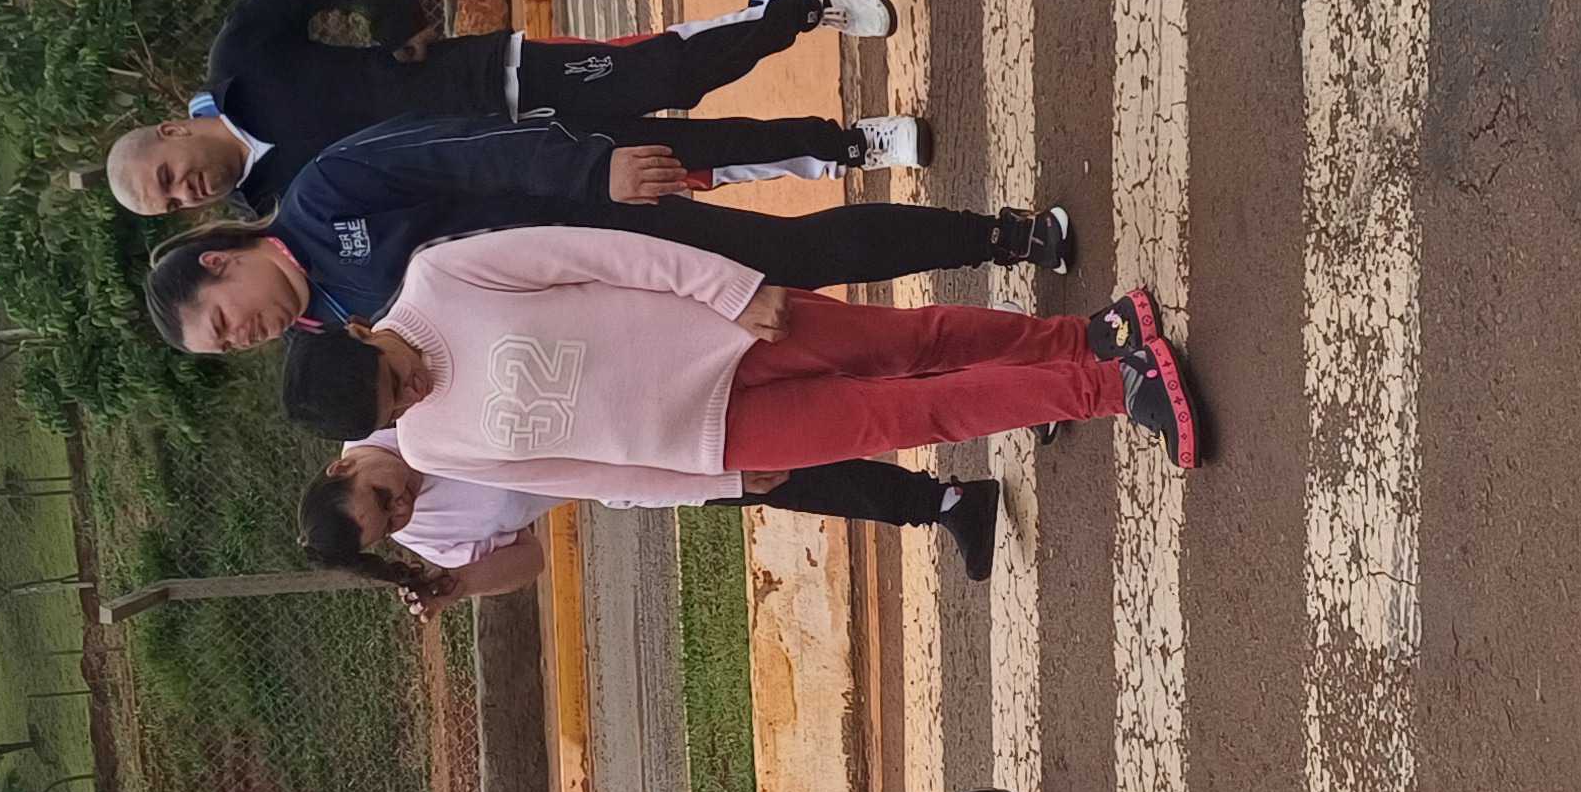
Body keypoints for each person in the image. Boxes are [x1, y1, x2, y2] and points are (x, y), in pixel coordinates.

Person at [278, 226, 1208, 485]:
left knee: (911, 343)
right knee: (914, 416)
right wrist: (714, 486)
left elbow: (598, 252)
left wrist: (726, 289)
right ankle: (1114, 388)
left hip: (726, 331)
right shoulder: (430, 445)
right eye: (398, 407)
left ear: (360, 329)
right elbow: (585, 476)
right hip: (712, 440)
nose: (416, 392)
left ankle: (1085, 340)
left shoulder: (440, 278)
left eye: (395, 375)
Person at [140, 114, 1074, 352]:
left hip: (599, 223)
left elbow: (470, 152)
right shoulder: (340, 340)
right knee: (809, 334)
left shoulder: (323, 194)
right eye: (230, 349)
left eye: (224, 320)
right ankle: (1020, 359)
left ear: (220, 260)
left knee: (795, 259)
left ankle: (1004, 239)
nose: (246, 336)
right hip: (607, 323)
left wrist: (594, 172)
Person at [110, 0, 905, 217]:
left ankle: (797, 8)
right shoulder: (281, 210)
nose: (187, 193)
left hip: (492, 79)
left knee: (671, 72)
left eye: (169, 176)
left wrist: (393, 17)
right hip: (524, 166)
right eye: (173, 204)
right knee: (690, 160)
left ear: (171, 131)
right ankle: (846, 147)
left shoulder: (242, 64)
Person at [297, 434, 1003, 610]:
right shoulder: (422, 532)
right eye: (389, 525)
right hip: (635, 472)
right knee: (789, 480)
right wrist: (460, 583)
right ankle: (944, 503)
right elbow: (529, 558)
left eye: (383, 496)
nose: (402, 508)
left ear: (343, 465)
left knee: (819, 399)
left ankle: (1016, 369)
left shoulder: (391, 403)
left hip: (628, 387)